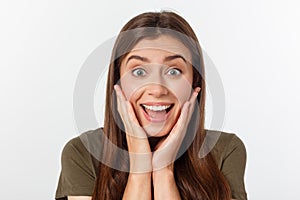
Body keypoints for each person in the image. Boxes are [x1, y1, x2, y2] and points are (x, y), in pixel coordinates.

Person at [55, 11, 247, 200]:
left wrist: (164, 171)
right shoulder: (83, 153)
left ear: (194, 82)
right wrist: (140, 168)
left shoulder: (225, 150)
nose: (157, 89)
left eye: (174, 71)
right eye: (139, 72)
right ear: (118, 82)